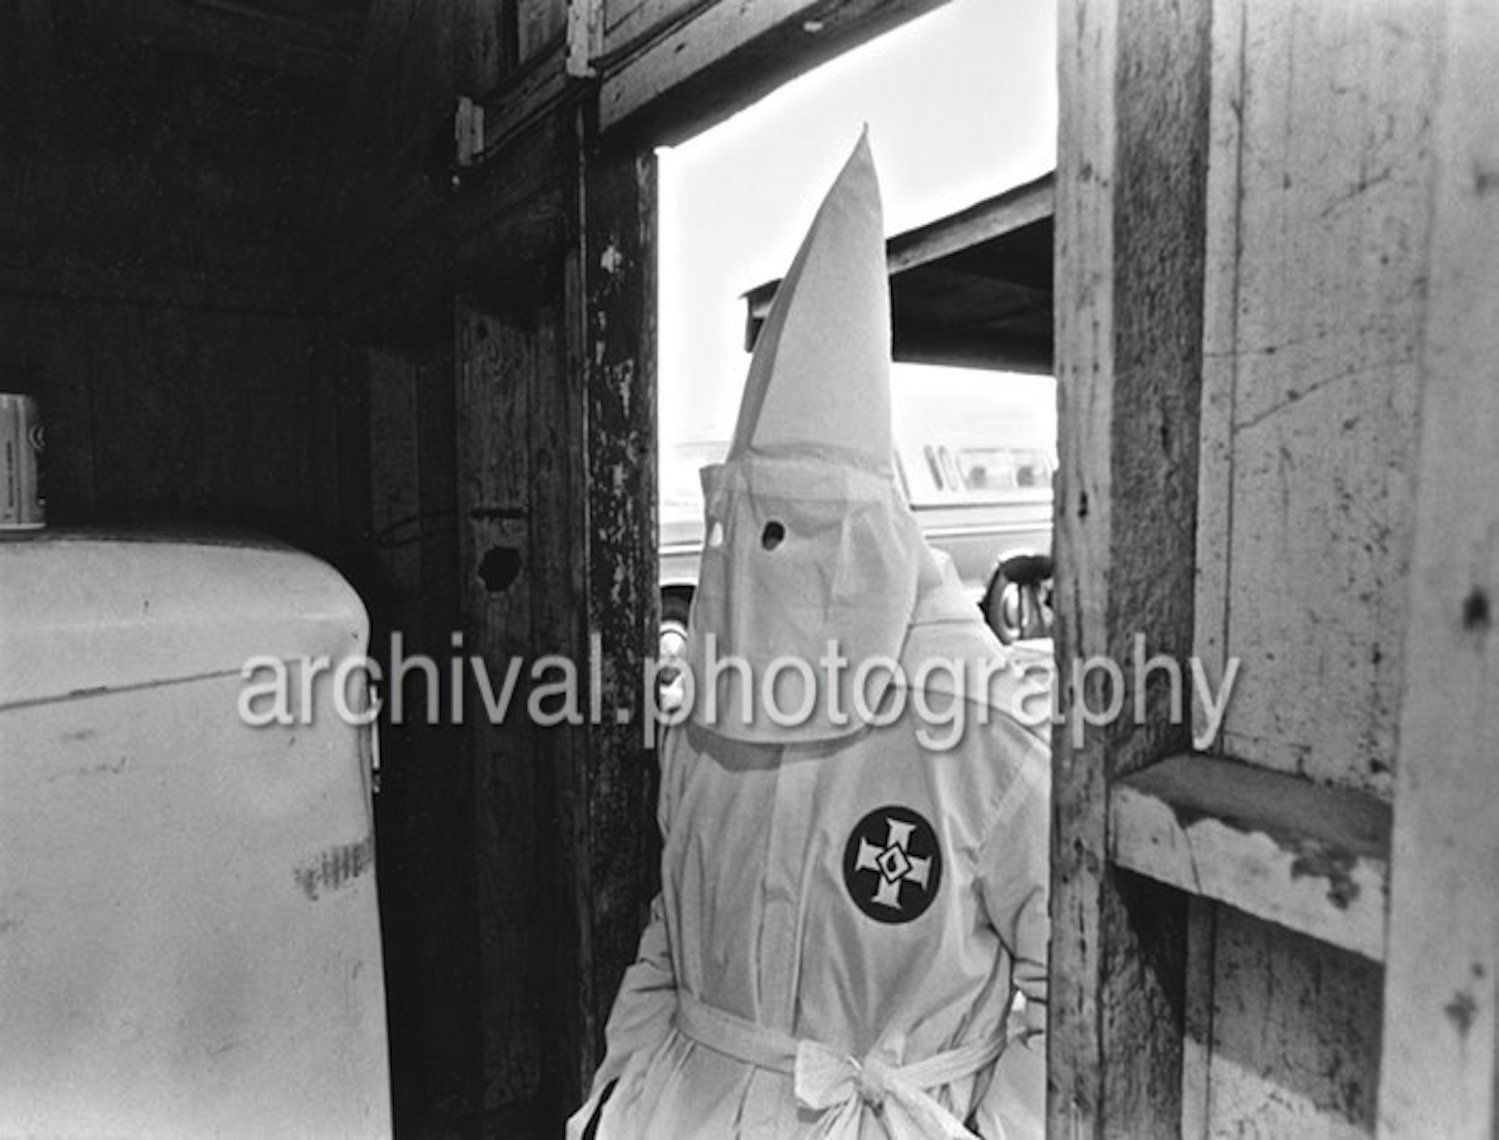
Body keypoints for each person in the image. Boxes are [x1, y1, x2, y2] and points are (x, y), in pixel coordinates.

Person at [569, 133, 1049, 1139]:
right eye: (754, 530)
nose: (773, 569)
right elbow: (667, 926)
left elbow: (1072, 978)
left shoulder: (979, 733)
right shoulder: (708, 715)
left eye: (801, 532)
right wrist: (629, 1081)